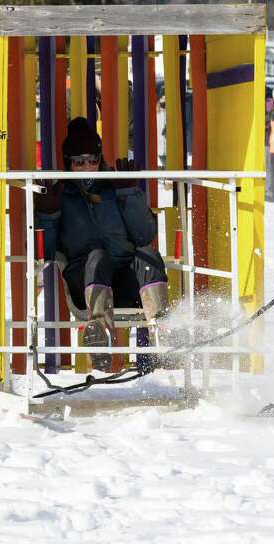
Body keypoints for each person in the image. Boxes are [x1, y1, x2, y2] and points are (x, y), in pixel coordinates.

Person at [34, 117, 170, 371]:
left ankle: (162, 329)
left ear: (99, 159)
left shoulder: (113, 187)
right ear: (68, 163)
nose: (87, 167)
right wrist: (48, 216)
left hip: (124, 280)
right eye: (78, 162)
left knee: (147, 254)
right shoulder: (61, 194)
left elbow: (143, 235)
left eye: (92, 160)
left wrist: (128, 194)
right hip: (83, 280)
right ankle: (98, 330)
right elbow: (47, 252)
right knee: (96, 256)